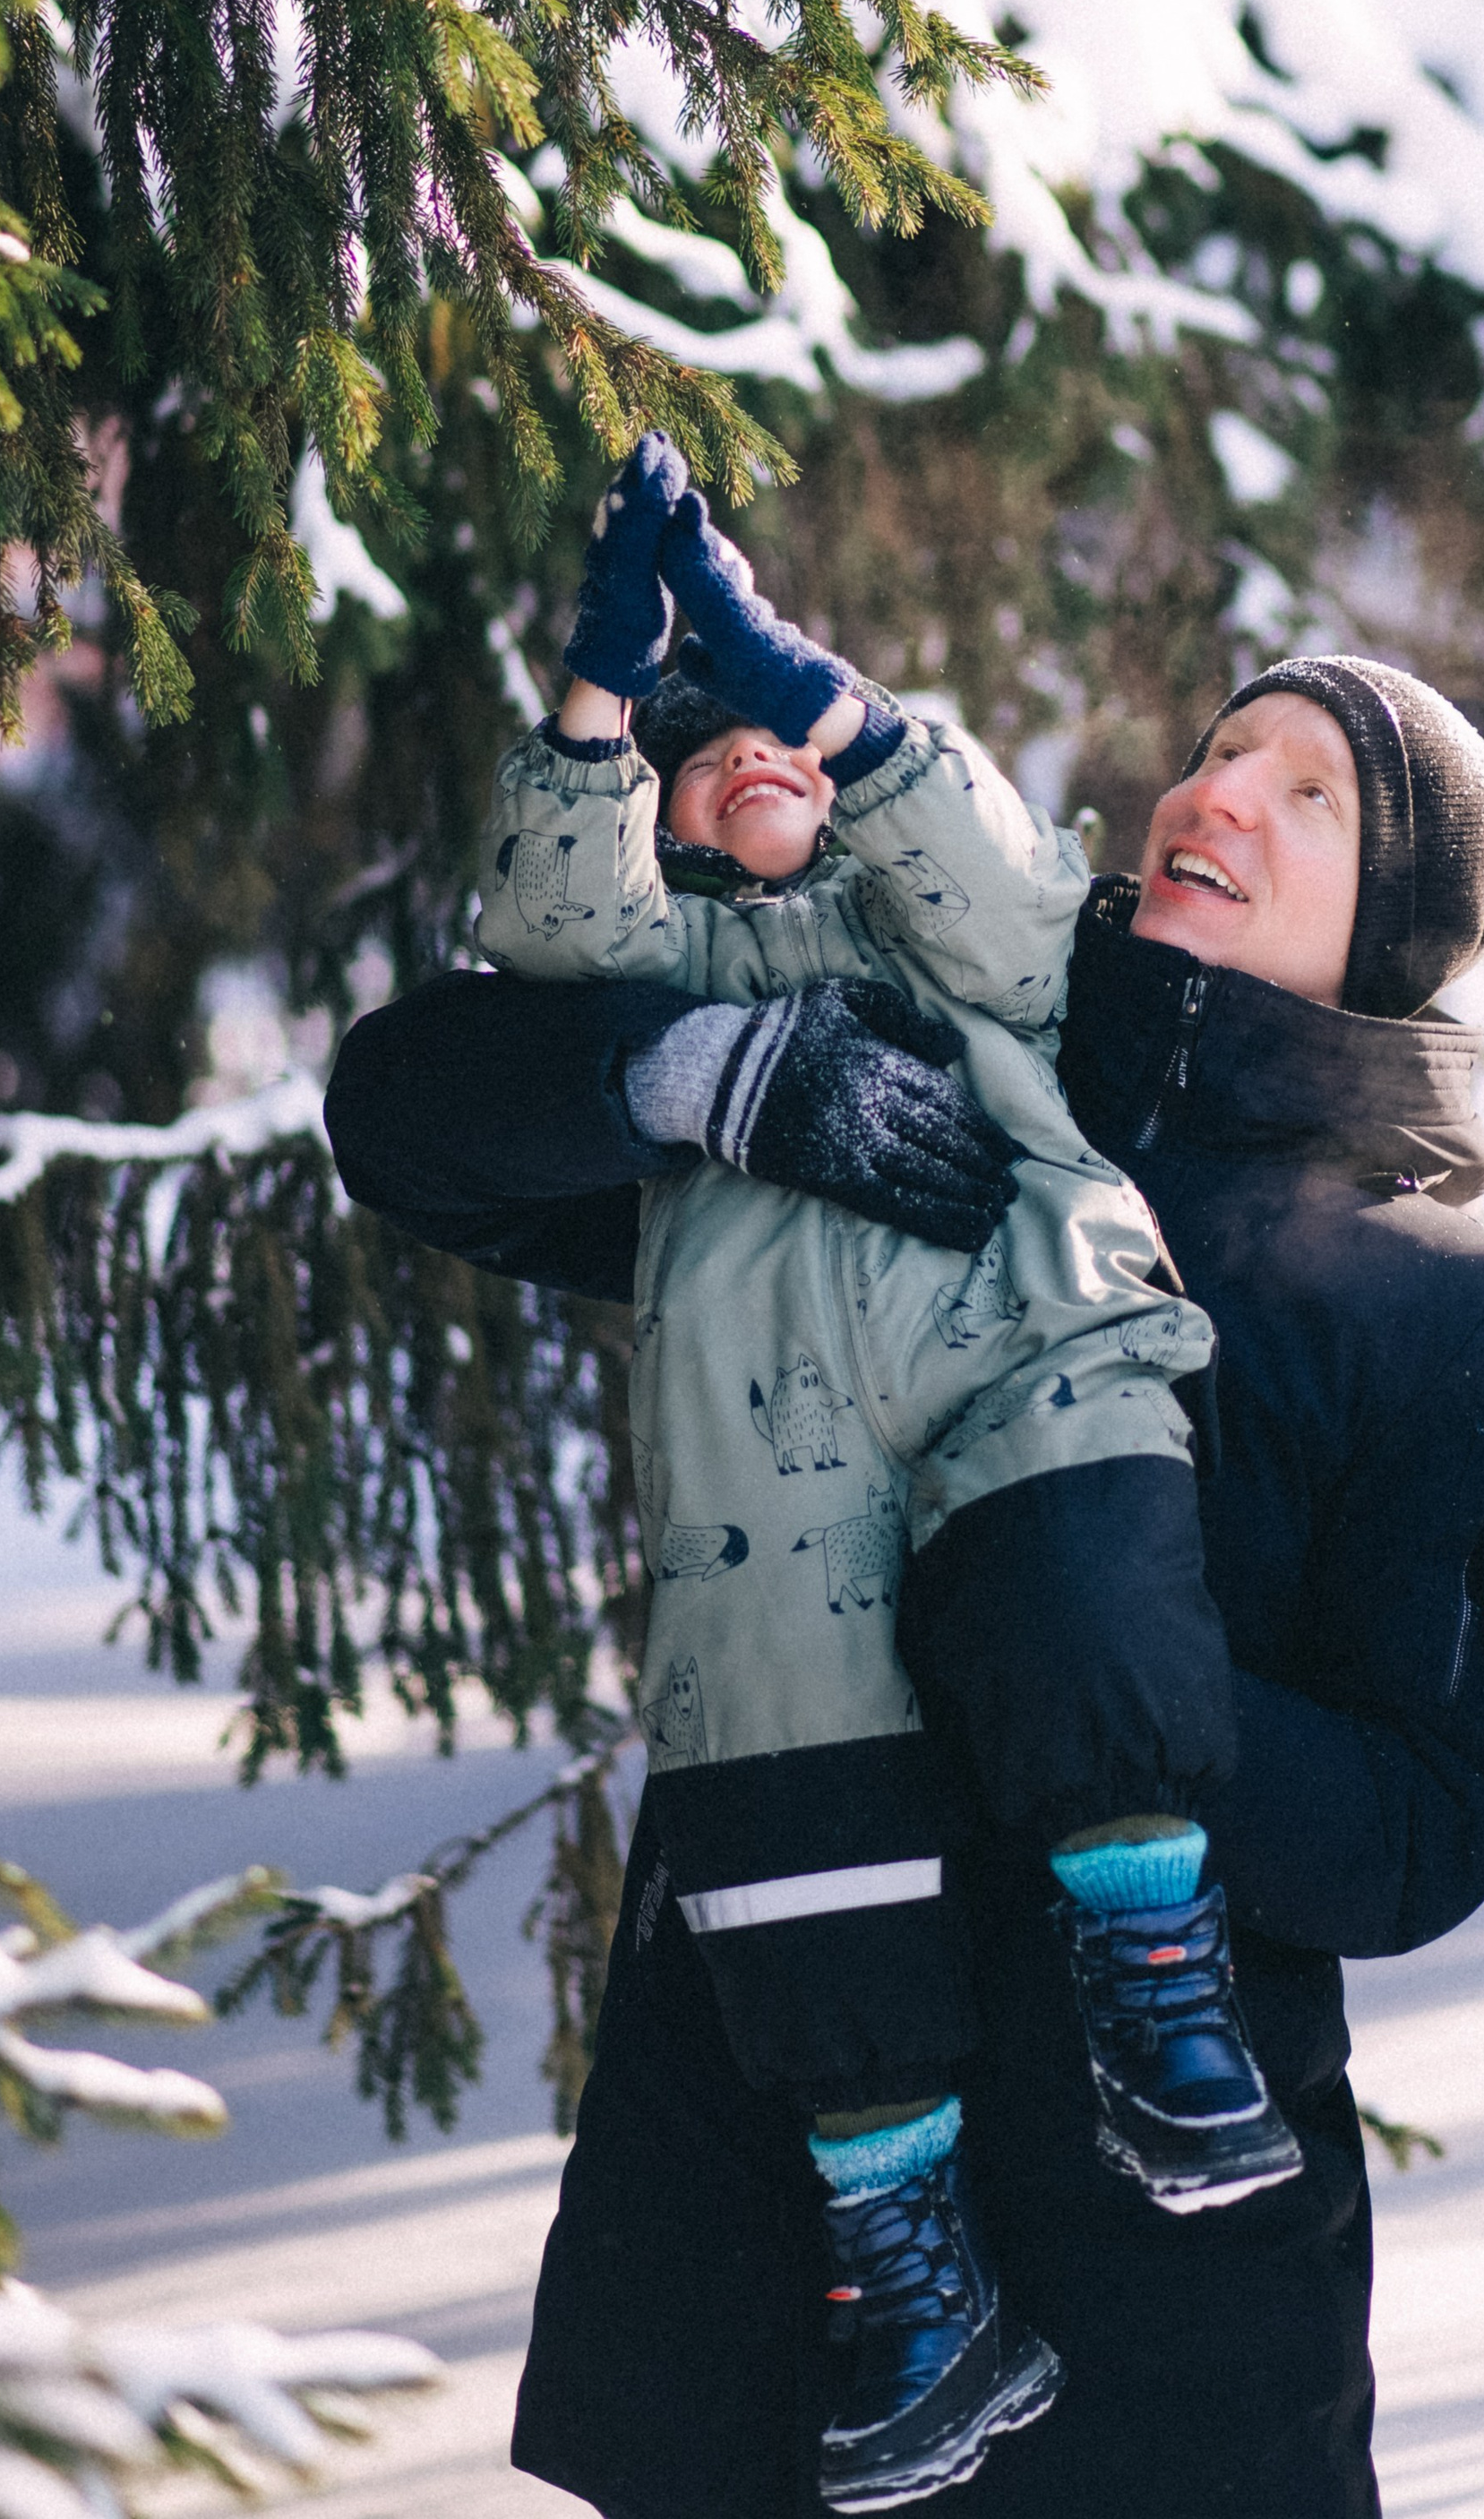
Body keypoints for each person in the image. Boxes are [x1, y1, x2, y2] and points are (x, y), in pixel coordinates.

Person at [326, 641, 1484, 2517]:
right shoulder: (903, 1048)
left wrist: (1086, 1650)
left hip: (1145, 2284)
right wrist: (692, 1074)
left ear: (1388, 930)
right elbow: (409, 1115)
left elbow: (1419, 1833)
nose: (1213, 792)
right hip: (759, 2211)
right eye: (1220, 747)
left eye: (1307, 791)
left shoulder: (1434, 1305)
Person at [475, 441, 1296, 2512]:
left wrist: (819, 688)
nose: (751, 759)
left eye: (784, 741)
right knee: (783, 1788)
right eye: (706, 746)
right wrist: (595, 706)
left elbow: (1024, 916)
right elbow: (544, 944)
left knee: (1095, 1584)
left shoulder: (944, 938)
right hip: (768, 1451)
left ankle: (1149, 1966)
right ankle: (902, 2263)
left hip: (1024, 1334)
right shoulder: (653, 983)